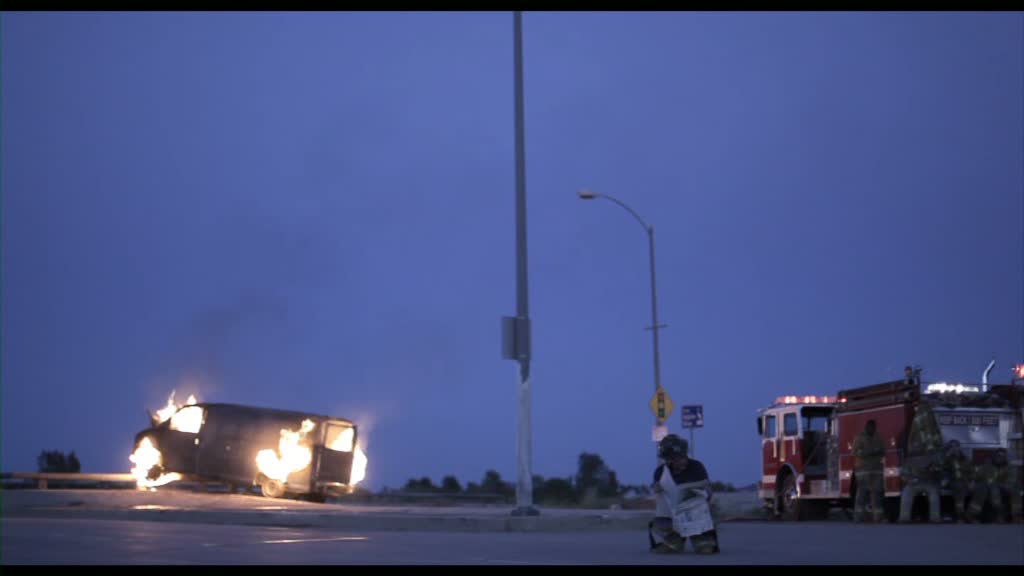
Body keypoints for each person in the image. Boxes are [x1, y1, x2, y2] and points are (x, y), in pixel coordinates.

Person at [648, 434, 719, 554]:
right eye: (677, 458)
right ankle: (673, 540)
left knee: (705, 549)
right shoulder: (661, 472)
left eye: (683, 457)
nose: (683, 461)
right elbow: (657, 491)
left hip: (696, 513)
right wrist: (657, 488)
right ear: (669, 460)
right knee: (662, 515)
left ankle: (702, 539)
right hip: (673, 513)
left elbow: (707, 491)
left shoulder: (696, 466)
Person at [899, 403, 943, 523]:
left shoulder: (931, 459)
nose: (919, 449)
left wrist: (933, 473)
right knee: (906, 495)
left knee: (934, 495)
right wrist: (910, 480)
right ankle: (904, 518)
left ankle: (935, 518)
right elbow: (903, 473)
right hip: (913, 484)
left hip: (927, 483)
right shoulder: (910, 459)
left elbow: (938, 470)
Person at [852, 419, 886, 523]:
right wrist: (870, 452)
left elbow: (883, 450)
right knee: (861, 494)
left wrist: (877, 452)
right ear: (866, 427)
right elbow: (855, 452)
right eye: (870, 427)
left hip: (876, 470)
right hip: (863, 470)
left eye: (874, 427)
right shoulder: (859, 438)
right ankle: (858, 517)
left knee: (877, 494)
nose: (872, 429)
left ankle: (878, 517)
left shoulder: (878, 437)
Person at [968, 448, 1011, 523]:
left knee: (995, 491)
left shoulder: (1007, 467)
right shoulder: (987, 465)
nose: (1000, 458)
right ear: (995, 456)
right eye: (998, 455)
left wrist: (1007, 485)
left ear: (1005, 457)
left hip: (999, 486)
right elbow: (977, 475)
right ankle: (972, 515)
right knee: (982, 490)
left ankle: (999, 515)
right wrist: (972, 482)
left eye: (1002, 456)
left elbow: (1011, 478)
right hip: (985, 485)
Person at [942, 439, 972, 522]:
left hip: (964, 481)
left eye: (956, 446)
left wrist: (971, 481)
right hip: (952, 480)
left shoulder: (965, 458)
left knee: (964, 488)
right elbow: (943, 470)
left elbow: (970, 471)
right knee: (959, 487)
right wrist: (947, 457)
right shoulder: (947, 458)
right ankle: (960, 513)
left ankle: (963, 513)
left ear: (959, 448)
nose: (955, 448)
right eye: (952, 447)